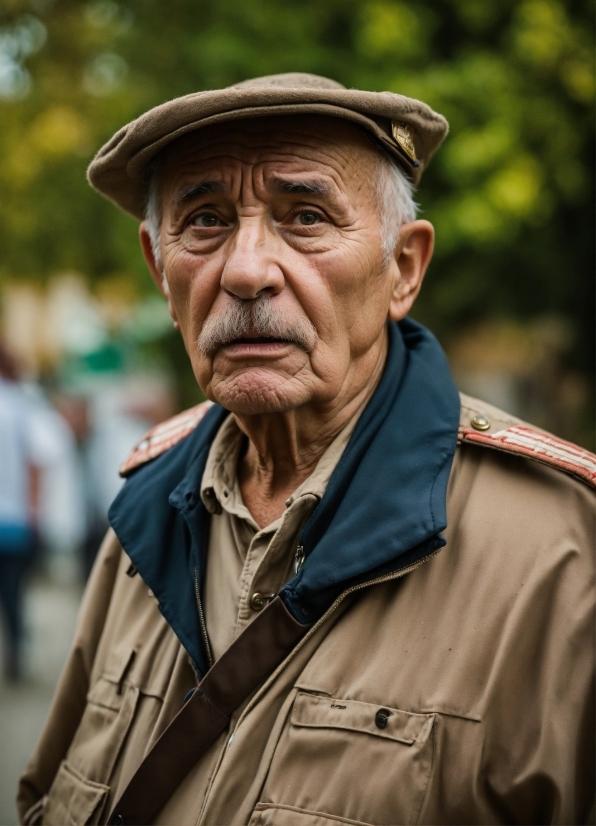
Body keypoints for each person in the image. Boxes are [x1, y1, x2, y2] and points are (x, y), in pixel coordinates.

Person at [17, 74, 594, 826]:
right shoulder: (145, 509)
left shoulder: (565, 551)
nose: (248, 270)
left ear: (404, 269)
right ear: (162, 273)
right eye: (205, 221)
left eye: (308, 217)